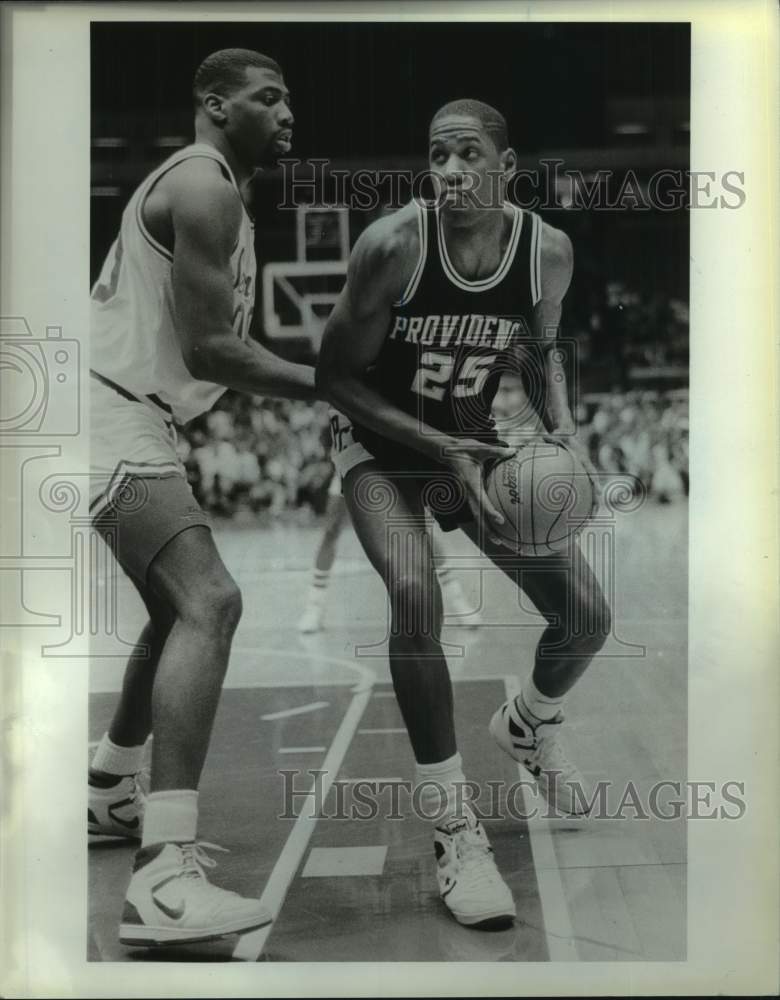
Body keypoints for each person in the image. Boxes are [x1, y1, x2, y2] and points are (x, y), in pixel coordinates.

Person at [317, 99, 610, 928]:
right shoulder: (394, 245)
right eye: (437, 156)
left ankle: (529, 725)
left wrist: (564, 439)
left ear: (505, 166)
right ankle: (453, 826)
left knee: (585, 616)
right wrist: (434, 447)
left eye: (466, 155)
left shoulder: (545, 250)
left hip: (468, 440)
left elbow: (544, 348)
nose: (448, 172)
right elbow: (332, 379)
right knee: (417, 595)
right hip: (377, 442)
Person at [87, 48, 317, 947]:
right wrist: (338, 384)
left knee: (170, 611)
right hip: (105, 411)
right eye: (268, 96)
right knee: (212, 601)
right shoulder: (204, 186)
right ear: (216, 107)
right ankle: (162, 878)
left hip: (128, 411)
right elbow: (215, 351)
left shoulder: (224, 193)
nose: (288, 108)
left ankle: (112, 788)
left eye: (290, 94)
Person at [297, 416, 483, 634]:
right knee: (331, 530)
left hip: (390, 458)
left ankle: (458, 601)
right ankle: (314, 608)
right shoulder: (338, 399)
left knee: (419, 532)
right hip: (351, 459)